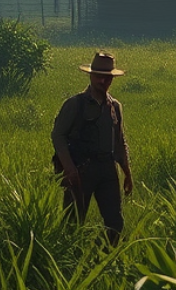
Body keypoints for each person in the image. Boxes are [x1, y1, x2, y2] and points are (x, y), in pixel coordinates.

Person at [51, 51, 134, 244]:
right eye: (99, 76)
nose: (103, 81)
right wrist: (69, 169)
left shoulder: (115, 106)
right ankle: (68, 263)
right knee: (73, 223)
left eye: (107, 77)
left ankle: (102, 260)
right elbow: (58, 135)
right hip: (81, 170)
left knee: (115, 223)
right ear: (90, 75)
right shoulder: (75, 104)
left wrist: (127, 173)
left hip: (107, 169)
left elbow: (120, 141)